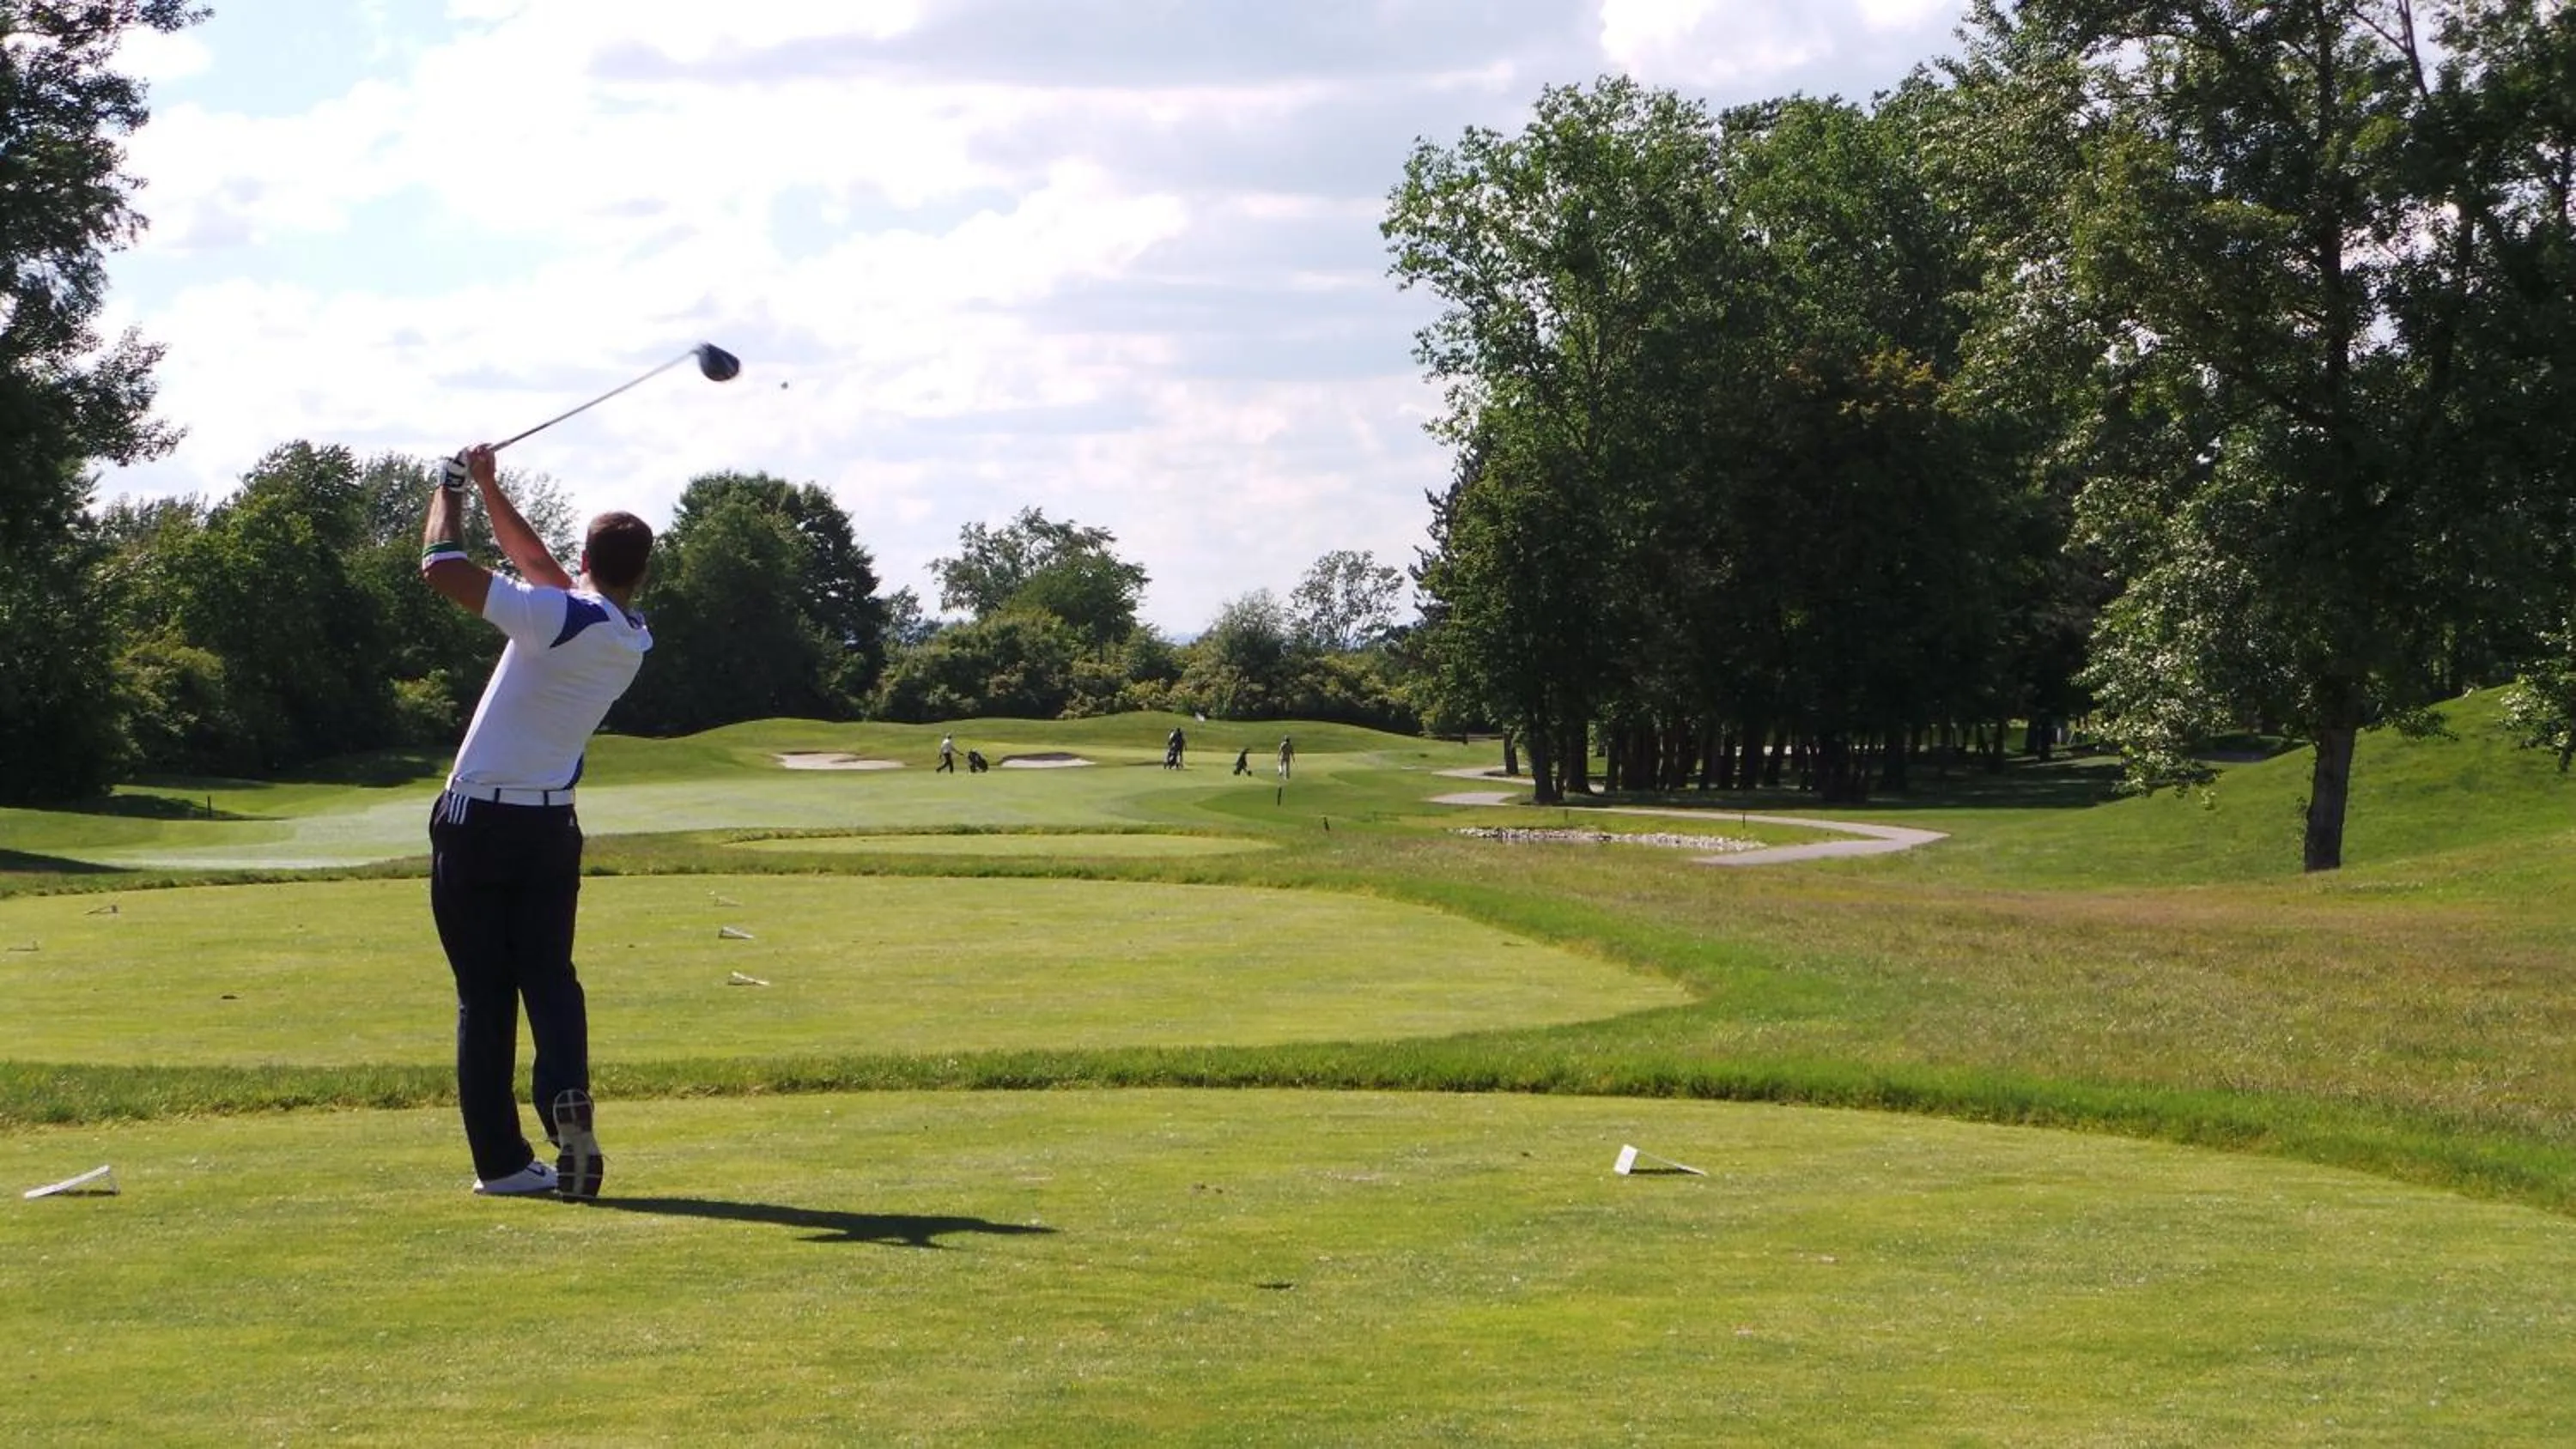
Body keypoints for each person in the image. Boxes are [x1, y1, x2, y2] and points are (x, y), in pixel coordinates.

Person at [419, 443, 652, 1200]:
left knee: (484, 996)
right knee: (550, 978)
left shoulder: (557, 615)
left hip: (477, 822)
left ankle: (503, 1163)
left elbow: (442, 568)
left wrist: (448, 490)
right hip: (552, 830)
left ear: (587, 556)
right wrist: (492, 485)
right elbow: (543, 570)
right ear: (637, 573)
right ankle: (565, 1100)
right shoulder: (624, 634)